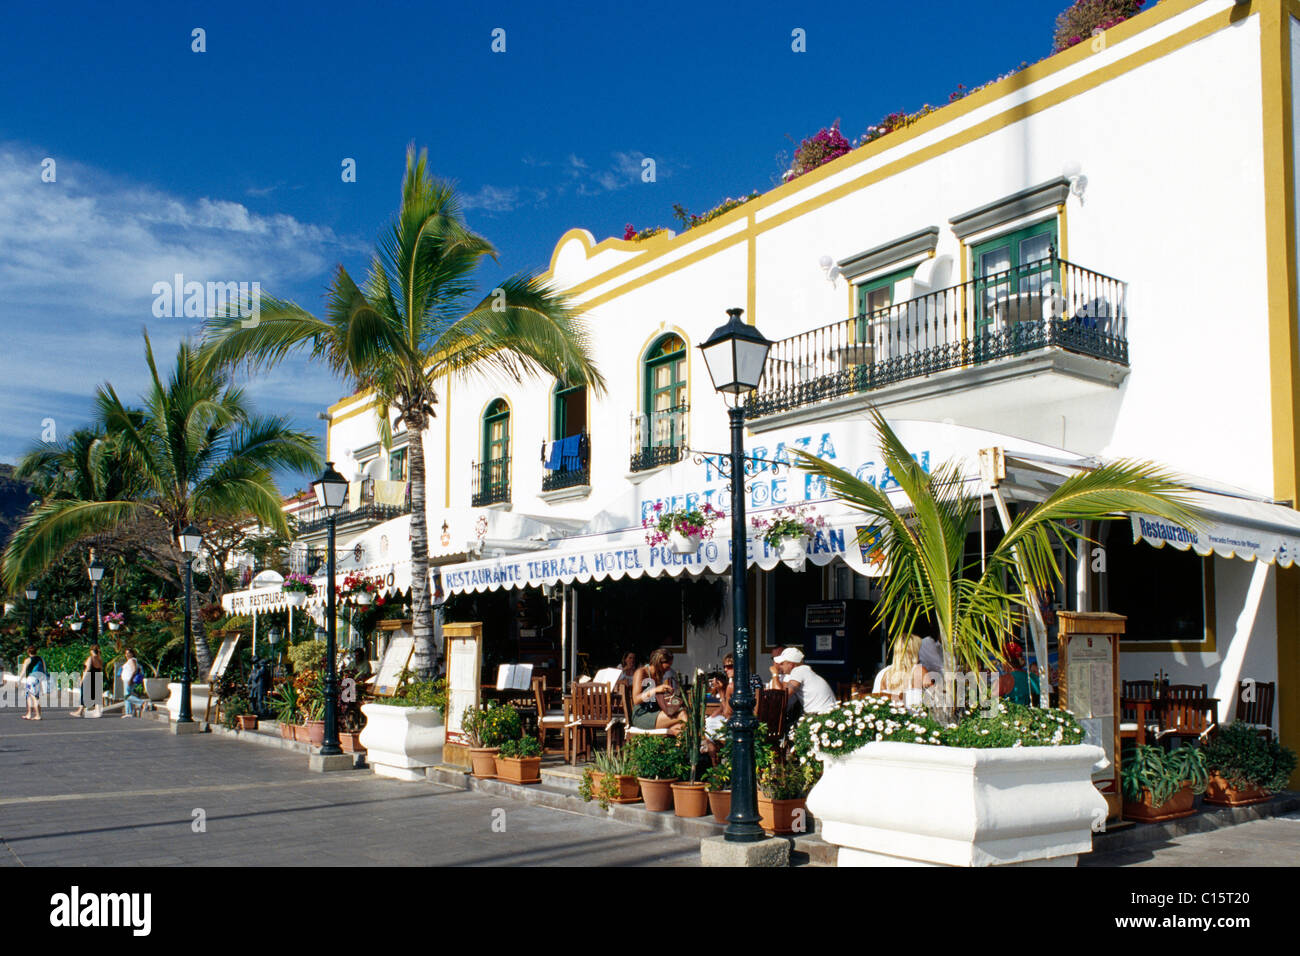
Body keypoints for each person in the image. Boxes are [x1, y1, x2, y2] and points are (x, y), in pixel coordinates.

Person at [629, 647, 688, 732]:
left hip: (655, 712)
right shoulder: (641, 672)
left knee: (679, 726)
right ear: (659, 662)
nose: (668, 670)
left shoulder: (658, 675)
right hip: (642, 715)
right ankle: (699, 741)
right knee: (682, 714)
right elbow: (636, 699)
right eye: (667, 667)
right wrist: (655, 690)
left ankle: (679, 744)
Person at [773, 647, 837, 718]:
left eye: (782, 663)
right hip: (825, 714)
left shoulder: (799, 671)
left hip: (822, 716)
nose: (779, 666)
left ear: (791, 665)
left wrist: (775, 674)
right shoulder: (803, 671)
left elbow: (783, 695)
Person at [873, 635, 931, 702]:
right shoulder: (919, 671)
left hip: (888, 711)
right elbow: (934, 698)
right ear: (914, 651)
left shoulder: (882, 674)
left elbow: (875, 699)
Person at [998, 641, 1040, 705]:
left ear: (1006, 662)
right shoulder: (1033, 677)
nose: (1000, 664)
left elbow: (992, 704)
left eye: (1001, 661)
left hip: (1014, 714)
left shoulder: (1003, 680)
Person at [704, 654, 735, 736]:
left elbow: (727, 714)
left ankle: (711, 747)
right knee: (709, 720)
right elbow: (724, 708)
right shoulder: (753, 679)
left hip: (736, 726)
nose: (725, 669)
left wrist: (721, 692)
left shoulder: (731, 686)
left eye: (729, 666)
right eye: (725, 666)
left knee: (709, 724)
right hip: (752, 722)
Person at [70, 644, 104, 718]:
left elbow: (87, 669)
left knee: (83, 694)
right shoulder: (99, 659)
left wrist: (82, 679)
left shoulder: (90, 658)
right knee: (96, 695)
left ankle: (80, 711)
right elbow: (100, 669)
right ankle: (98, 711)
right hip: (96, 678)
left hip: (88, 678)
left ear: (91, 651)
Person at [19, 644, 47, 720]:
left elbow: (23, 671)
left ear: (28, 652)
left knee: (34, 697)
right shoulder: (41, 659)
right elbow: (45, 669)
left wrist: (19, 680)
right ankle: (29, 714)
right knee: (30, 696)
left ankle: (38, 715)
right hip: (39, 678)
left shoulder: (27, 660)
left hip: (31, 679)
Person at [120, 649, 145, 718]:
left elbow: (134, 669)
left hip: (128, 680)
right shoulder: (131, 660)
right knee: (128, 695)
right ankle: (129, 712)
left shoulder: (132, 660)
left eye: (128, 653)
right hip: (127, 680)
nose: (127, 655)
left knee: (127, 696)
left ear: (132, 654)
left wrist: (130, 679)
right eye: (126, 653)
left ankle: (140, 703)